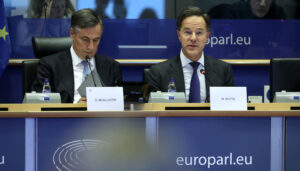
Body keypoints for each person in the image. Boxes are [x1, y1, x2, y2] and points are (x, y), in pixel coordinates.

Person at [32, 8, 123, 103]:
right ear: (72, 33)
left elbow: (119, 105)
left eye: (96, 40)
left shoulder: (112, 67)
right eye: (85, 39)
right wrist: (75, 108)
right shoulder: (49, 66)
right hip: (65, 117)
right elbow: (40, 104)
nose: (91, 47)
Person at [147, 6, 233, 103]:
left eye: (199, 33)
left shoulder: (223, 70)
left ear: (207, 36)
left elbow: (229, 109)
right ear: (179, 36)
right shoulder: (159, 72)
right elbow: (153, 111)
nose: (193, 38)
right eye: (187, 32)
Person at [213, 0, 286, 19]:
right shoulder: (233, 12)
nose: (262, 4)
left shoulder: (278, 13)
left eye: (267, 0)